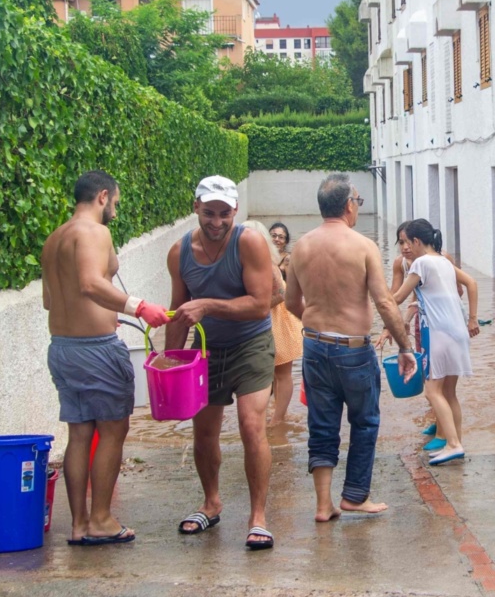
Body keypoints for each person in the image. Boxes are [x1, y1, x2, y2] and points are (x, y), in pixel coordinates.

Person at [41, 170, 169, 545]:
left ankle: (80, 524)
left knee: (79, 432)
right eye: (116, 200)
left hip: (61, 347)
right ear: (102, 196)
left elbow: (51, 299)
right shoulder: (95, 232)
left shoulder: (54, 239)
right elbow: (91, 283)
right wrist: (139, 307)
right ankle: (101, 518)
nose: (116, 207)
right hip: (96, 348)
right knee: (113, 430)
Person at [285, 175, 415, 521]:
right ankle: (355, 496)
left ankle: (323, 504)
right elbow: (386, 304)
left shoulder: (301, 246)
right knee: (365, 421)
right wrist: (405, 347)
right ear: (348, 206)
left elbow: (290, 302)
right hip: (354, 351)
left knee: (322, 424)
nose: (358, 206)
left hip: (313, 347)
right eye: (357, 201)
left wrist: (315, 327)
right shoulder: (363, 246)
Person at [165, 176, 278, 550]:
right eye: (209, 213)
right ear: (195, 206)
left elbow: (261, 304)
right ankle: (211, 502)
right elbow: (180, 313)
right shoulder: (179, 253)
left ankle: (258, 516)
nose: (216, 222)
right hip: (206, 349)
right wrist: (170, 364)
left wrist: (208, 304)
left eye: (224, 214)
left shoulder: (249, 242)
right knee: (204, 431)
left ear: (236, 211)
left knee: (251, 424)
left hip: (251, 343)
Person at [391, 219, 480, 466]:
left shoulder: (421, 262)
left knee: (432, 391)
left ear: (416, 241)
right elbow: (472, 283)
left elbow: (397, 297)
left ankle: (452, 444)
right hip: (458, 333)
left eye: (405, 242)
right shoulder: (443, 261)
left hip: (439, 334)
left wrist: (373, 293)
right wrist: (473, 318)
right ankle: (456, 442)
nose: (404, 247)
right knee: (449, 392)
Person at [264, 221, 304, 426]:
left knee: (282, 368)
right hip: (267, 315)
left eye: (281, 236)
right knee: (270, 371)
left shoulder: (287, 260)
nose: (277, 239)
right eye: (274, 235)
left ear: (286, 241)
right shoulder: (262, 258)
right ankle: (277, 411)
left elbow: (292, 290)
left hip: (281, 314)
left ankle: (279, 417)